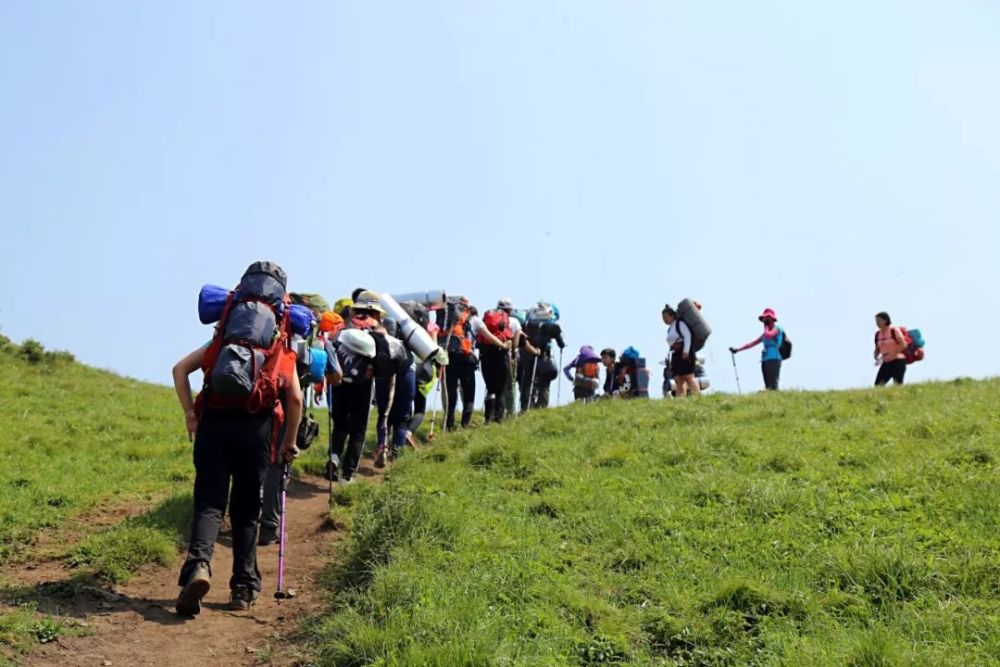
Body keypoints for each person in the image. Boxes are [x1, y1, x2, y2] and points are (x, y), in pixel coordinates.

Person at [172, 261, 302, 616]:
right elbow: (294, 399)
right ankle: (243, 588)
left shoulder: (222, 338)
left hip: (214, 422)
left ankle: (198, 566)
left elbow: (179, 369)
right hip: (256, 430)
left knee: (209, 502)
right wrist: (288, 442)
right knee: (246, 511)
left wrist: (190, 413)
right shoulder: (280, 347)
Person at [329, 291, 385, 483]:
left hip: (338, 380)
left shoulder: (344, 323)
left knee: (340, 425)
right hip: (363, 384)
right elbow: (383, 357)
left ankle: (334, 457)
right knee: (358, 431)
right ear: (376, 312)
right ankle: (347, 475)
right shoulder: (377, 328)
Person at [438, 297, 478, 430]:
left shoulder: (445, 318)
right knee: (469, 394)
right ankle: (465, 425)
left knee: (451, 393)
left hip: (449, 357)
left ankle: (449, 425)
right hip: (465, 358)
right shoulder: (471, 318)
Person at [519, 302, 565, 410]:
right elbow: (560, 340)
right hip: (544, 354)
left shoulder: (529, 320)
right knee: (544, 384)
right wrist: (561, 344)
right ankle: (541, 407)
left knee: (527, 380)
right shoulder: (550, 323)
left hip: (528, 351)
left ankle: (526, 407)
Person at [475, 300, 515, 422]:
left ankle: (488, 418)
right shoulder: (511, 320)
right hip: (501, 357)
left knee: (490, 388)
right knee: (500, 390)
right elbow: (512, 339)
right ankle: (499, 418)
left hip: (485, 356)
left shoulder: (486, 318)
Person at [729, 308, 785, 391]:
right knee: (768, 385)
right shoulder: (765, 334)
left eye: (767, 319)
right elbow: (751, 344)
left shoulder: (777, 329)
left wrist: (766, 327)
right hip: (765, 359)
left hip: (774, 359)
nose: (765, 321)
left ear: (772, 319)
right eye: (764, 319)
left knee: (773, 384)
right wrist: (738, 350)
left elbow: (769, 335)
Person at [662, 304, 700, 397]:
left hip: (685, 353)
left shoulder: (680, 324)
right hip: (676, 355)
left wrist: (686, 351)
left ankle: (698, 397)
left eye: (666, 317)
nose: (664, 320)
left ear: (672, 315)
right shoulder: (671, 328)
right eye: (663, 318)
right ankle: (680, 401)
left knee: (689, 377)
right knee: (679, 379)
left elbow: (687, 337)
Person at [873, 311, 908, 386]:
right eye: (876, 321)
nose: (877, 323)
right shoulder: (877, 334)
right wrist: (876, 355)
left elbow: (903, 344)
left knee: (897, 384)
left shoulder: (894, 331)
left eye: (878, 321)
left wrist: (892, 354)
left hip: (898, 361)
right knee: (878, 385)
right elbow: (877, 348)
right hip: (886, 363)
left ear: (885, 320)